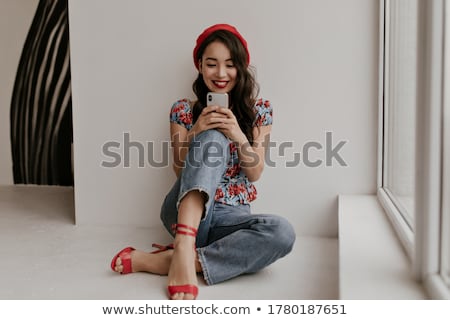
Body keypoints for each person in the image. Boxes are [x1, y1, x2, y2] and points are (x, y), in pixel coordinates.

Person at [110, 23, 296, 300]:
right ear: (199, 66)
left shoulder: (260, 111)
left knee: (282, 233)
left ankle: (170, 261)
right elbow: (178, 168)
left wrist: (236, 134)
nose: (221, 74)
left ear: (241, 67)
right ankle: (185, 242)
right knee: (212, 137)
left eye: (230, 65)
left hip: (230, 221)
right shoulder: (183, 110)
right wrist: (197, 131)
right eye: (212, 64)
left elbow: (255, 172)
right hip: (184, 210)